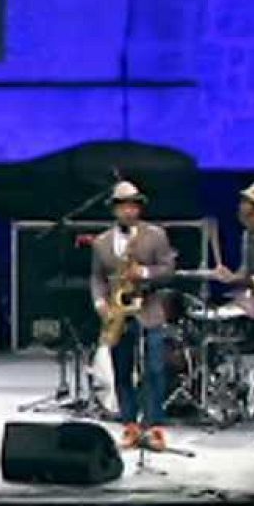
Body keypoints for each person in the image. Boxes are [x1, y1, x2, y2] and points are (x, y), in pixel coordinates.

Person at [89, 181, 178, 451]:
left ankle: (155, 426)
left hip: (149, 309)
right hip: (119, 313)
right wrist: (100, 302)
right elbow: (97, 277)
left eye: (133, 205)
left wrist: (145, 273)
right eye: (124, 206)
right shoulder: (102, 242)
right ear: (115, 209)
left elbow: (168, 268)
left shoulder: (155, 235)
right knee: (122, 370)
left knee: (154, 369)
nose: (129, 211)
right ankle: (129, 424)